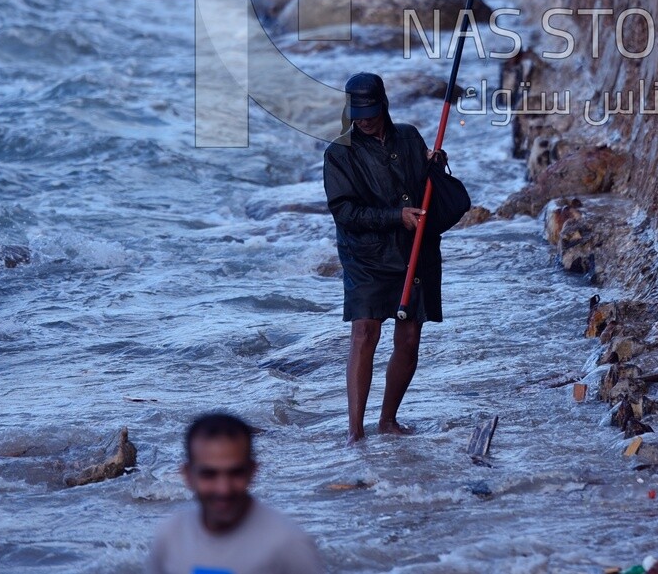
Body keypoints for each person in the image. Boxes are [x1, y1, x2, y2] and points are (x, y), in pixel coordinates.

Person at [322, 71, 452, 445]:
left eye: (370, 111)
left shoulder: (410, 137)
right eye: (358, 112)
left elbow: (422, 186)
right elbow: (345, 213)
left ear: (384, 105)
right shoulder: (338, 154)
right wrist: (396, 217)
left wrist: (434, 164)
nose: (364, 119)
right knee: (365, 333)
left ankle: (388, 420)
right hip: (365, 255)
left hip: (414, 250)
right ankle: (354, 431)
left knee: (409, 337)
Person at [145, 412, 324, 574]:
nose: (223, 489)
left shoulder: (287, 544)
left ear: (252, 471)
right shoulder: (170, 537)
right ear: (187, 475)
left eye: (235, 473)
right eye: (209, 474)